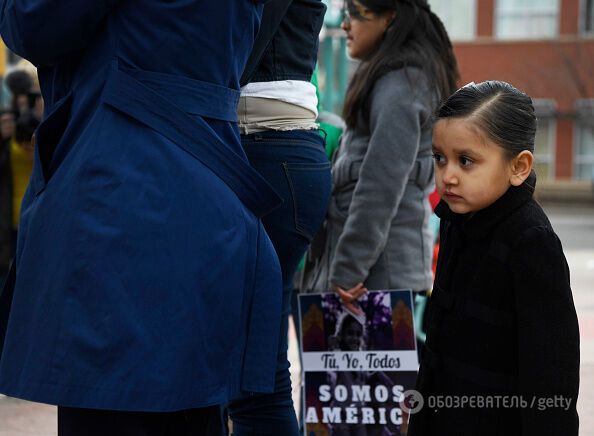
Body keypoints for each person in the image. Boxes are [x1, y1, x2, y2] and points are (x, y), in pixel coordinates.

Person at [0, 1, 283, 435]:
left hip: (124, 192)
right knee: (193, 407)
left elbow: (33, 23)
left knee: (115, 404)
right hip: (209, 179)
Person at [408, 81, 580, 435]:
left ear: (518, 167)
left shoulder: (531, 243)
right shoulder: (456, 219)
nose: (447, 175)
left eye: (466, 161)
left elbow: (551, 375)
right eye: (439, 158)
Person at [302, 0, 459, 313]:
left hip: (373, 279)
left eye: (357, 14)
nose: (346, 24)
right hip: (373, 274)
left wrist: (347, 271)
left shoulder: (402, 84)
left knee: (371, 365)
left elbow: (380, 184)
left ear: (390, 18)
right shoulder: (395, 80)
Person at [227, 1, 331, 435]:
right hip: (284, 150)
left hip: (259, 147)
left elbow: (232, 53)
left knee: (249, 382)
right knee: (255, 375)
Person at [0, 109, 16, 287]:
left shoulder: (20, 143)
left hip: (18, 213)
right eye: (4, 122)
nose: (8, 126)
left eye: (11, 122)